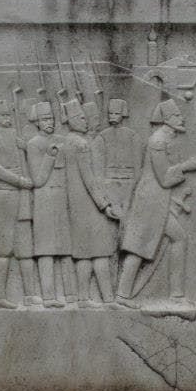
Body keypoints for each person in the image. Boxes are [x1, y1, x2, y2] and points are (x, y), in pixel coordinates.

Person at [116, 99, 196, 308]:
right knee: (139, 247)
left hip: (158, 201)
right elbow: (164, 178)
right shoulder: (157, 141)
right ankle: (123, 296)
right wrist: (187, 166)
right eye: (176, 116)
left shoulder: (167, 139)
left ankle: (175, 295)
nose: (181, 118)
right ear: (166, 120)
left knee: (176, 238)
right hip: (150, 202)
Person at [61, 98, 122, 309]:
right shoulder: (80, 144)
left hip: (75, 205)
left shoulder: (65, 141)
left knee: (84, 252)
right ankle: (106, 299)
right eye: (80, 118)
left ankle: (84, 298)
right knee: (100, 251)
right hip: (90, 206)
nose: (85, 121)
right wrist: (105, 205)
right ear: (70, 120)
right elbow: (90, 180)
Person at [0, 99, 36, 308]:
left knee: (25, 245)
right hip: (5, 194)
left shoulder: (16, 137)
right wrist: (18, 180)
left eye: (9, 115)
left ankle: (30, 294)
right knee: (2, 247)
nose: (7, 119)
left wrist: (25, 149)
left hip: (21, 195)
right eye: (4, 115)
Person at [26, 101, 73, 308]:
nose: (49, 123)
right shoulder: (34, 144)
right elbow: (38, 179)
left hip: (62, 198)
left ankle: (72, 296)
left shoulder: (62, 140)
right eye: (45, 119)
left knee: (65, 249)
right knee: (46, 250)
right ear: (37, 122)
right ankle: (48, 297)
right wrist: (50, 155)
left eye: (51, 119)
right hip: (44, 200)